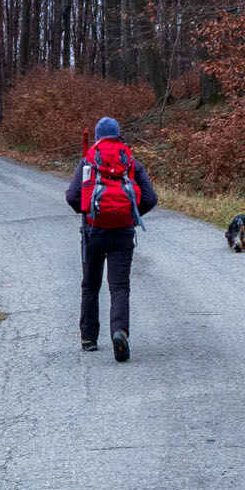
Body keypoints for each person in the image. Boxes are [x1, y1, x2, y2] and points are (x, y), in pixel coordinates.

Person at [66, 116, 158, 362]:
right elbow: (150, 197)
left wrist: (88, 213)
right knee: (119, 287)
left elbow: (72, 196)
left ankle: (88, 339)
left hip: (93, 231)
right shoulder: (129, 161)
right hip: (123, 232)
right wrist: (131, 215)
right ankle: (119, 332)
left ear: (97, 137)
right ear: (119, 136)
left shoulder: (88, 160)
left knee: (90, 285)